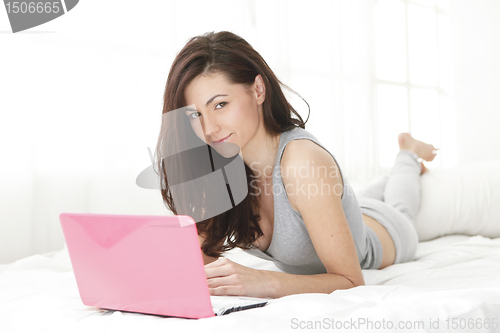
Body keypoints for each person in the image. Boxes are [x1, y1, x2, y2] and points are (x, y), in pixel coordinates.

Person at [156, 31, 438, 299]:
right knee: (361, 197)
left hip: (383, 232)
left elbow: (351, 282)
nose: (209, 129)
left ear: (258, 89)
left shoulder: (303, 163)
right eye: (195, 115)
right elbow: (196, 264)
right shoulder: (220, 168)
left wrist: (261, 280)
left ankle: (408, 155)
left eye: (220, 105)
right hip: (334, 207)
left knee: (401, 207)